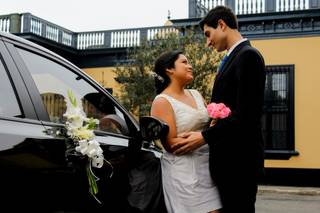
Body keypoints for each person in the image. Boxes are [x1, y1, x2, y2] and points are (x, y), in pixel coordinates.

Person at [171, 6, 266, 213]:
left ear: (221, 25)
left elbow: (247, 115)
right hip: (228, 162)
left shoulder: (248, 56)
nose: (208, 42)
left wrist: (204, 137)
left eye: (208, 34)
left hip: (239, 163)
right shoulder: (234, 57)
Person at [151, 50, 222, 213]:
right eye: (184, 62)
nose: (190, 66)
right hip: (183, 174)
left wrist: (214, 125)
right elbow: (171, 145)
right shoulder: (162, 101)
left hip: (209, 169)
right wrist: (203, 138)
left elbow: (209, 127)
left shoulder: (196, 94)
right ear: (170, 69)